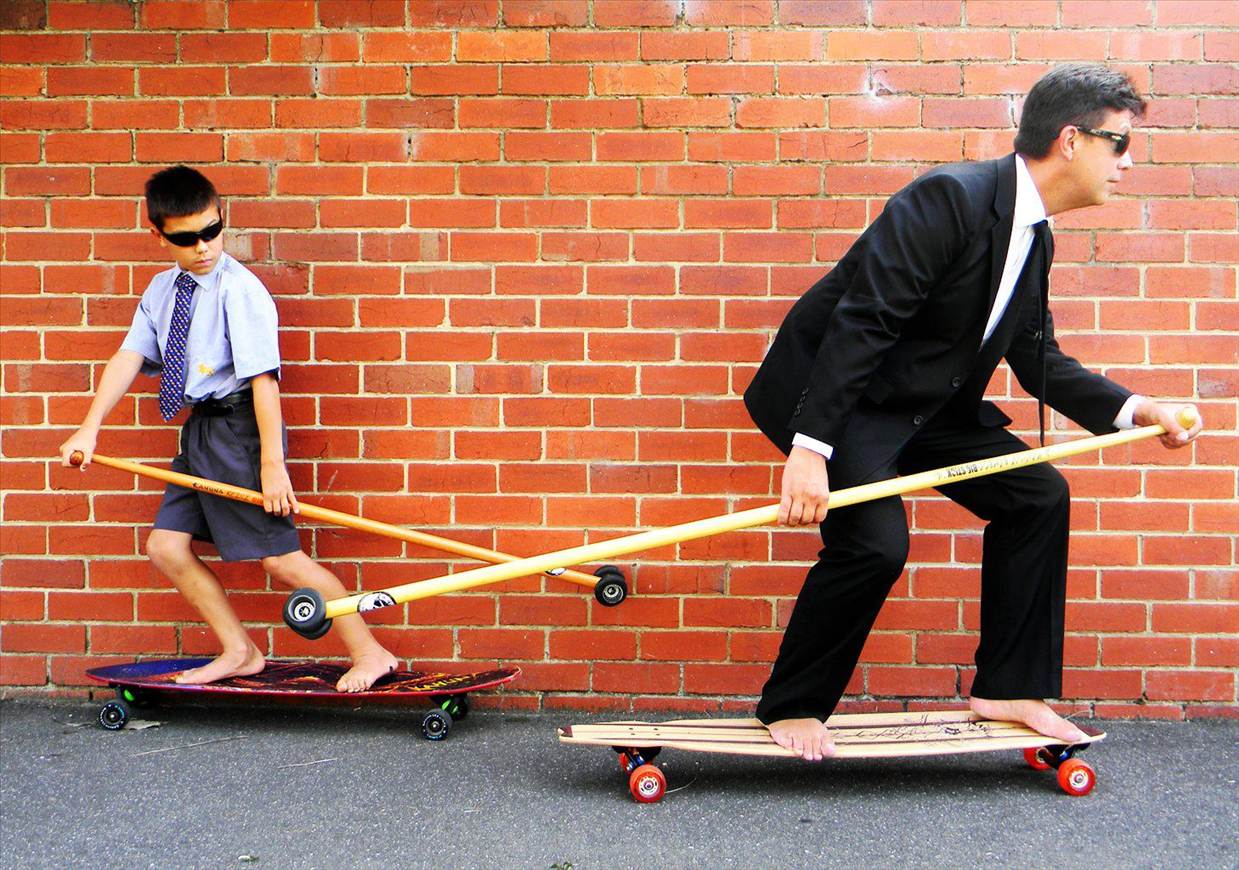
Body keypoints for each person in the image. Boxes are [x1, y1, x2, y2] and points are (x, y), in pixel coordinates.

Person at [743, 64, 1202, 760]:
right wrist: (811, 449)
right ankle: (794, 705)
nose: (1128, 163)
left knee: (1034, 495)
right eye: (1119, 143)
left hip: (925, 406)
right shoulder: (948, 200)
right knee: (872, 544)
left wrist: (1135, 409)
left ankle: (1010, 687)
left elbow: (1036, 357)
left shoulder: (1033, 236)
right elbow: (862, 323)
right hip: (842, 401)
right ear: (1071, 140)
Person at [59, 166, 398, 692]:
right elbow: (130, 354)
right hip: (200, 433)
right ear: (158, 234)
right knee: (167, 547)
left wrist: (271, 465)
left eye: (212, 231)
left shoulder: (240, 290)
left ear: (222, 218)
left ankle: (370, 652)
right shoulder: (163, 288)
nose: (203, 247)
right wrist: (89, 428)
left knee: (281, 561)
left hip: (241, 432)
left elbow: (265, 380)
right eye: (186, 238)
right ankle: (239, 651)